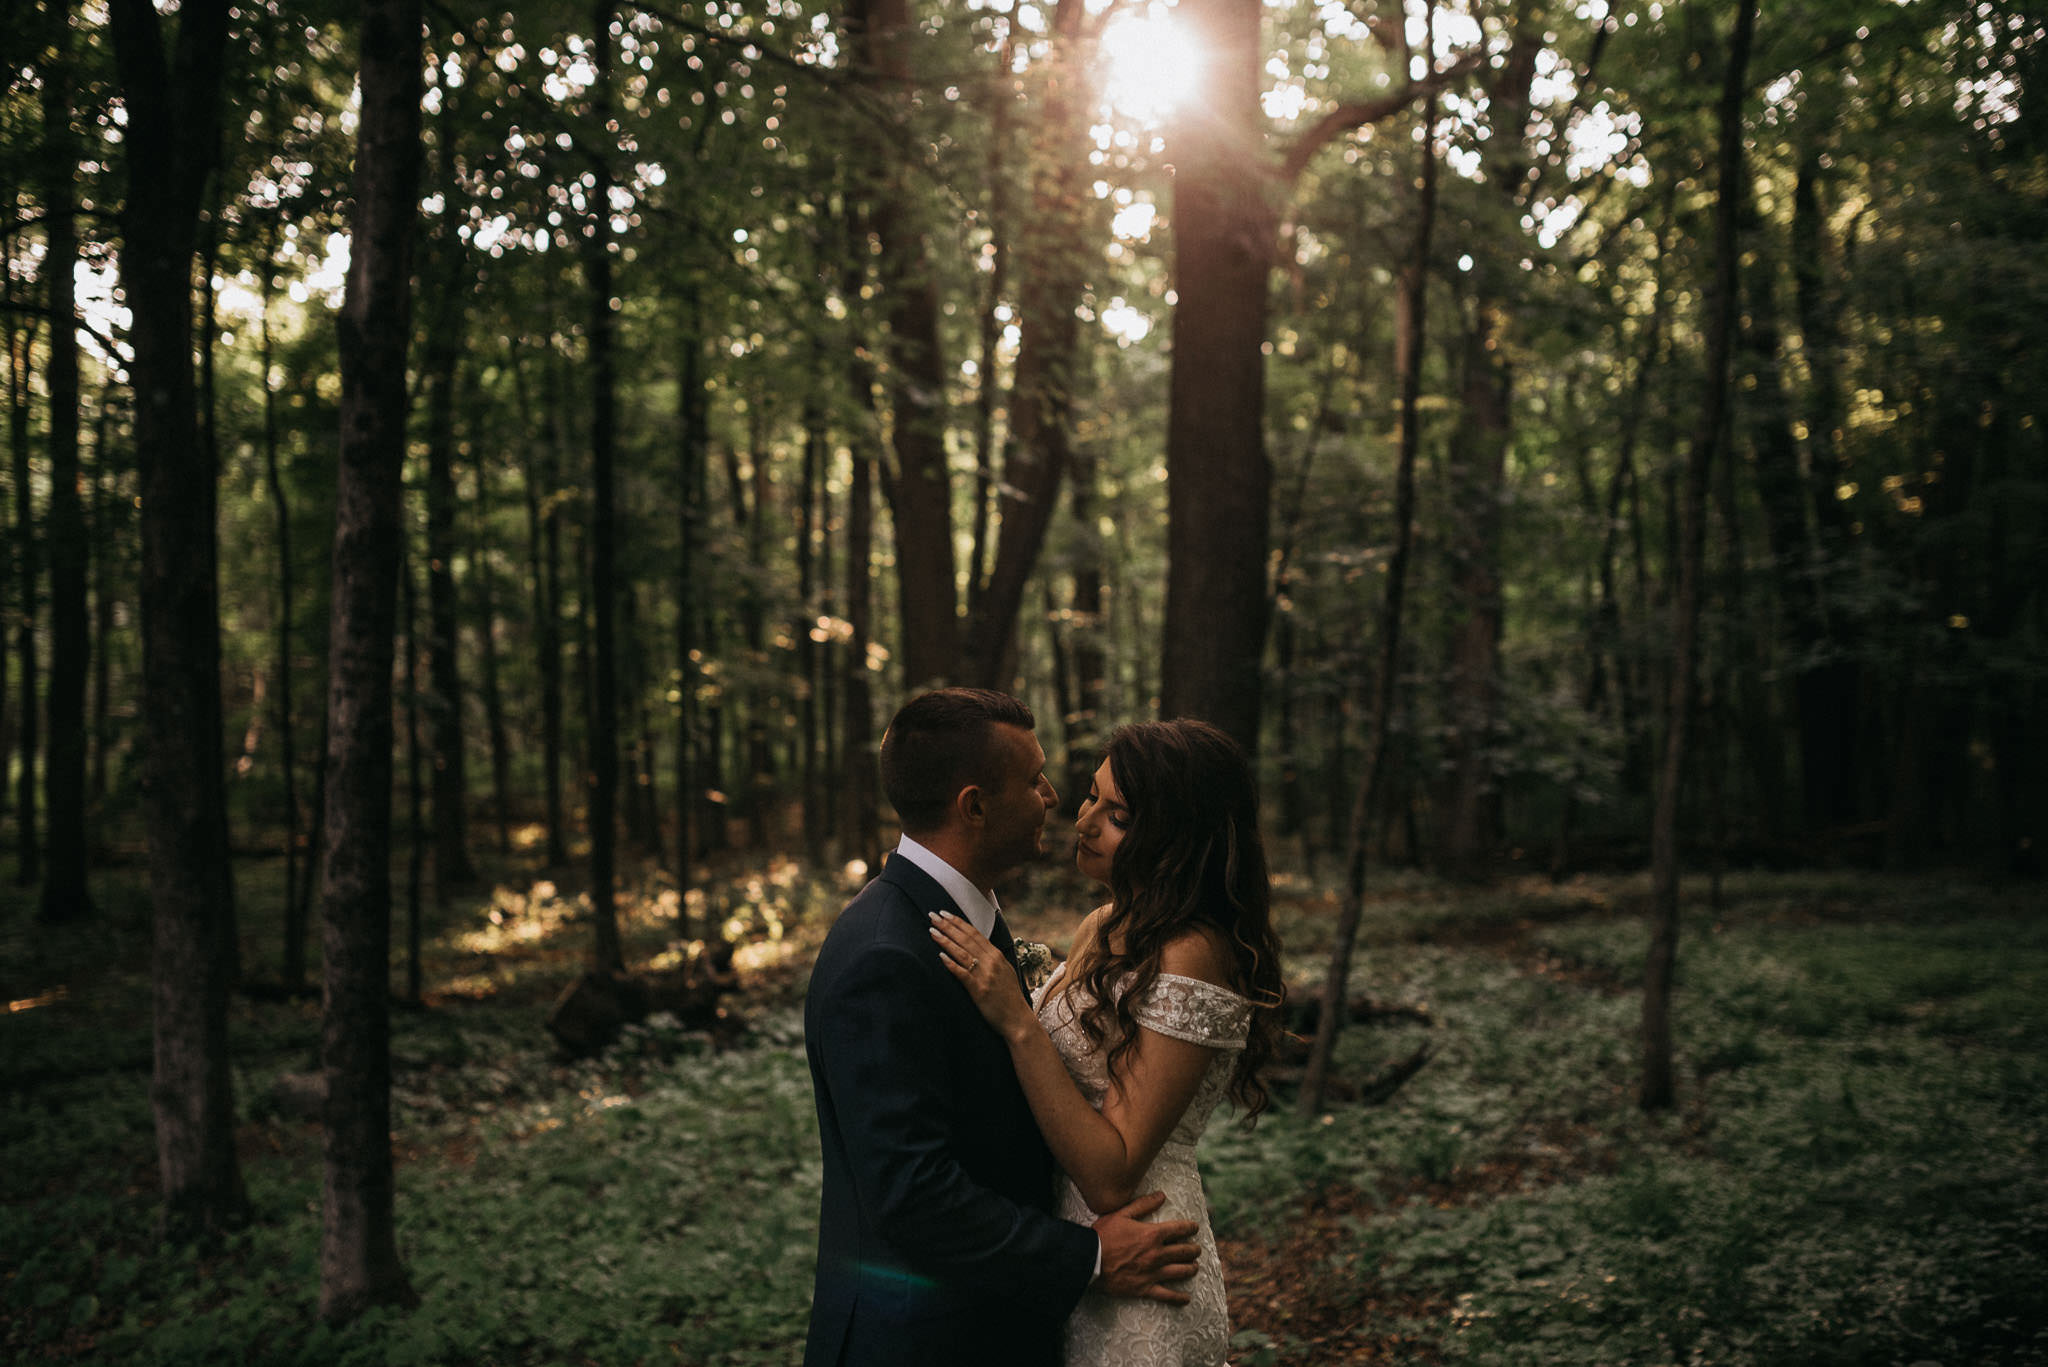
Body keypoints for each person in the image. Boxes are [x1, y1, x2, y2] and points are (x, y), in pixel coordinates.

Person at [804, 689, 1203, 1367]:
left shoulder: (963, 921)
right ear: (975, 806)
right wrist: (1094, 1255)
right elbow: (913, 1194)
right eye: (1034, 777)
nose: (1053, 795)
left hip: (995, 1325)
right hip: (921, 1341)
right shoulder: (885, 955)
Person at [928, 718, 1286, 1367]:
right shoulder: (1103, 923)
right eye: (1092, 796)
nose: (1085, 820)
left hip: (1143, 1260)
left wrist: (1017, 1017)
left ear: (1176, 834)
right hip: (1075, 1258)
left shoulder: (1193, 951)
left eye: (1117, 814)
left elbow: (1111, 1174)